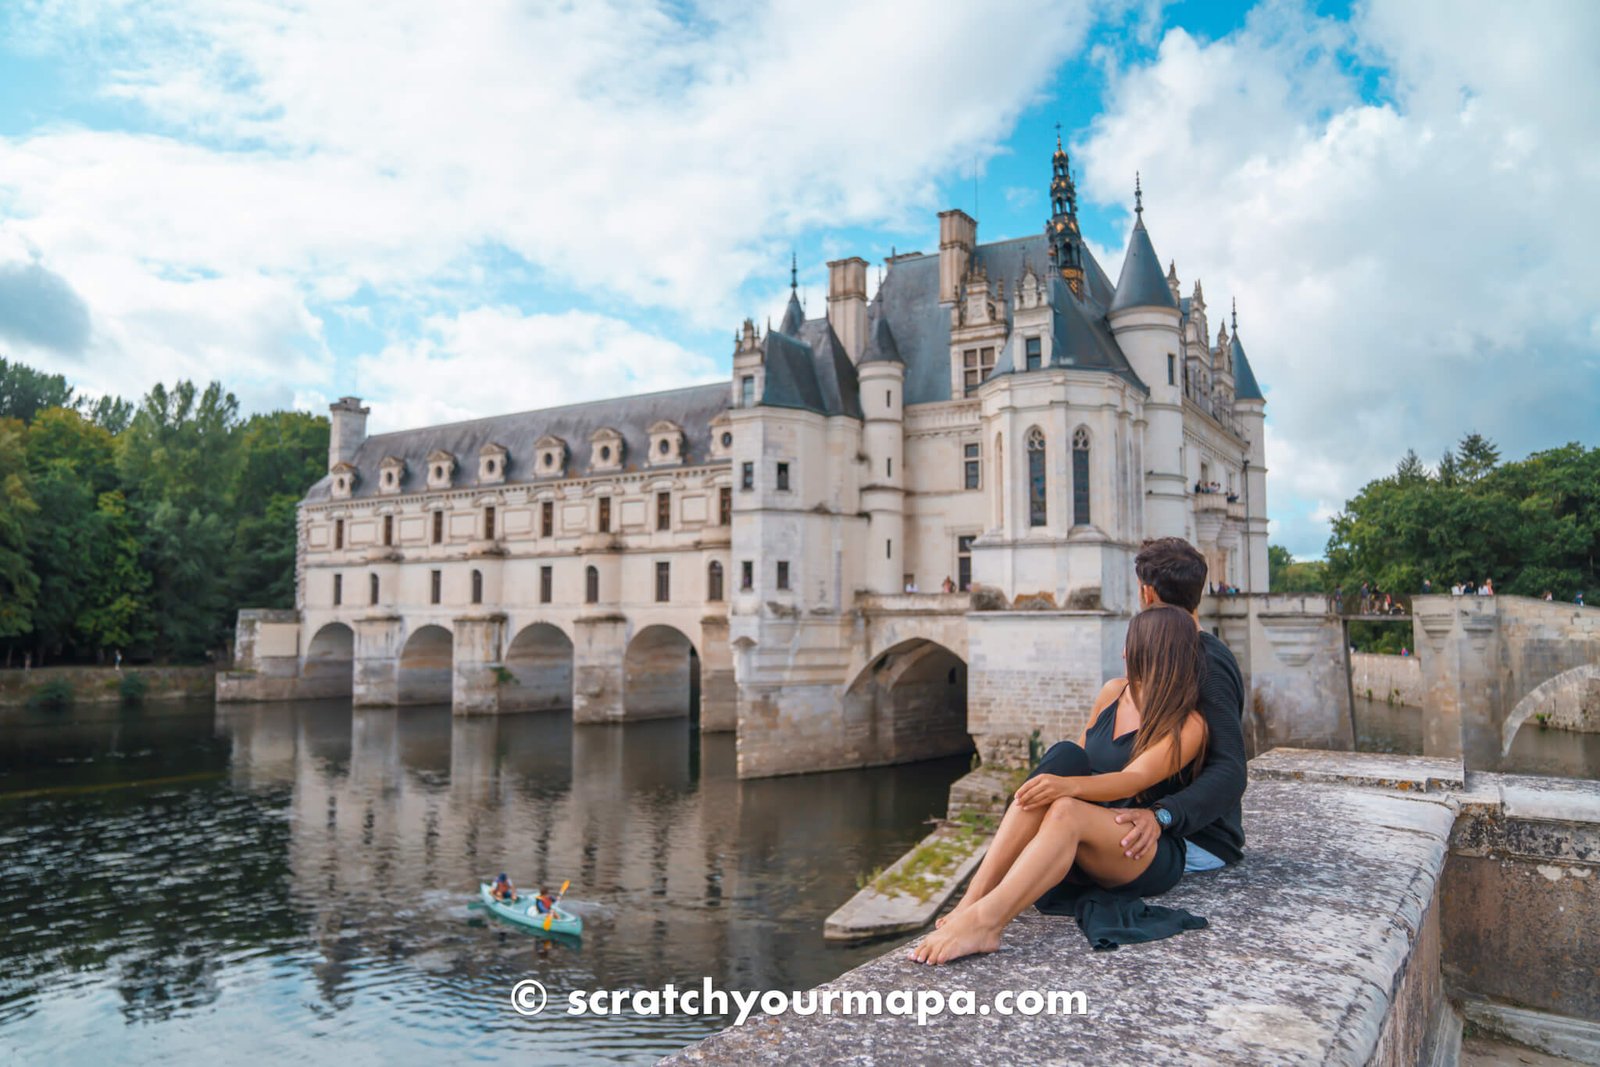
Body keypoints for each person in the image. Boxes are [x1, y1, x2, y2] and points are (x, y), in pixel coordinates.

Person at [916, 538, 1246, 965]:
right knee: (1064, 757)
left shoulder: (1205, 664)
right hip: (1141, 812)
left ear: (1146, 593)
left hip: (1190, 833)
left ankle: (986, 918)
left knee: (1063, 795)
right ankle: (973, 902)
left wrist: (1162, 815)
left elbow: (1229, 770)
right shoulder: (1122, 689)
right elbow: (1103, 763)